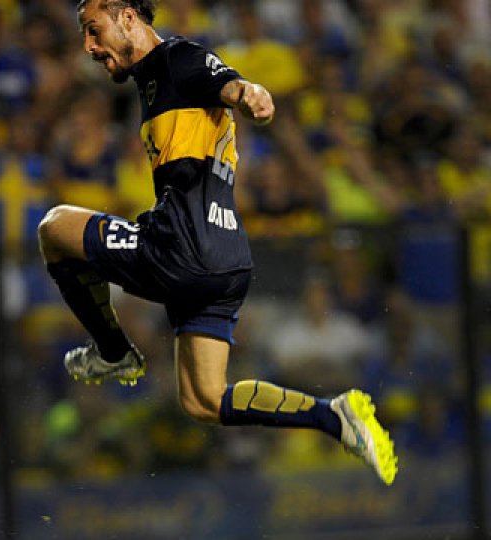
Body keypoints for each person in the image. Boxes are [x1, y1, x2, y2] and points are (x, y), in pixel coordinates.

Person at [36, 0, 397, 485]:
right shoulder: (151, 81)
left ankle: (113, 350)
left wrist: (250, 94)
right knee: (203, 400)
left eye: (93, 30)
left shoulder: (175, 58)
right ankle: (332, 416)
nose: (88, 46)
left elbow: (227, 83)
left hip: (181, 249)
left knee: (55, 228)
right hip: (225, 263)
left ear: (127, 18)